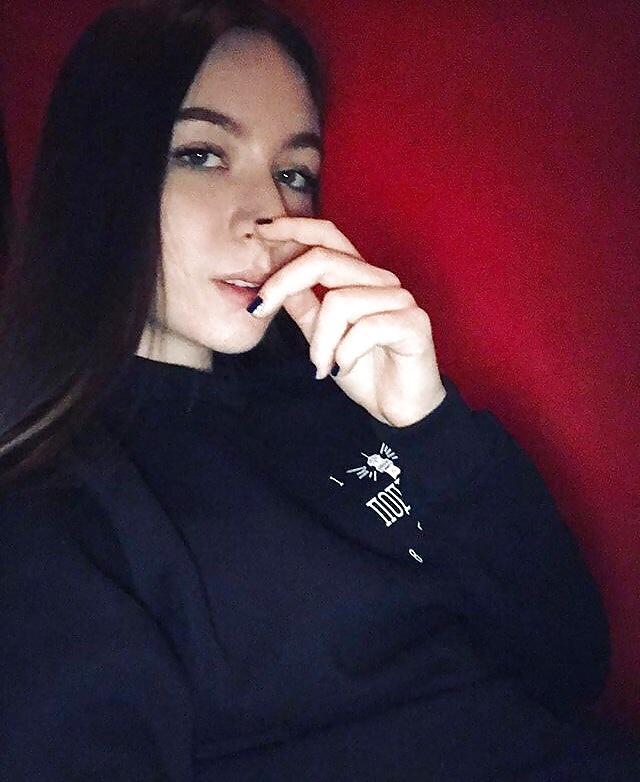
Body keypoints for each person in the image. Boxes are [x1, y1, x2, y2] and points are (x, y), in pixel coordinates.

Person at [0, 1, 638, 779]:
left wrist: (427, 423)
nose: (269, 214)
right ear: (102, 173)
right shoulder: (58, 503)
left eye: (293, 173)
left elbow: (569, 663)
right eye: (202, 154)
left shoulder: (341, 380)